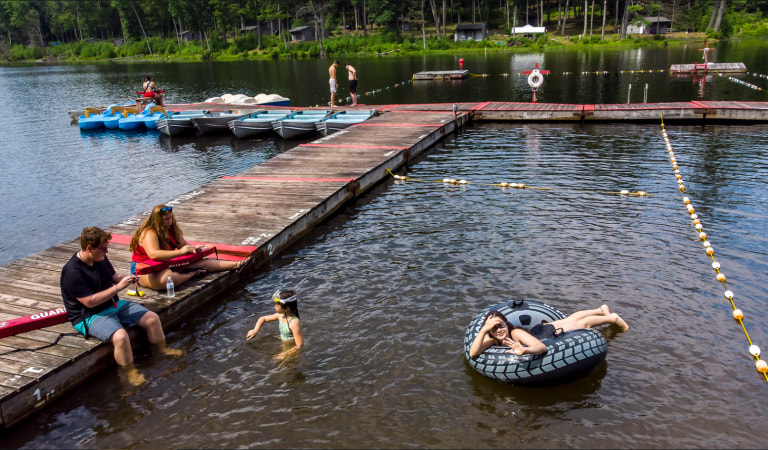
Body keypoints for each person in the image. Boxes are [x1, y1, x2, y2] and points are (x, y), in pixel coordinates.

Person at [60, 226, 182, 386]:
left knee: (152, 318)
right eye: (104, 249)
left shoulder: (100, 259)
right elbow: (89, 301)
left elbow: (114, 277)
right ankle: (129, 372)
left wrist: (128, 278)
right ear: (89, 248)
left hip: (112, 304)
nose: (107, 252)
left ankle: (162, 350)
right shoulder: (72, 272)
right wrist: (118, 287)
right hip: (88, 315)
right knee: (121, 337)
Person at [129, 204, 253, 291]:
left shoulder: (172, 229)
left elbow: (183, 245)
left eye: (171, 218)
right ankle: (191, 275)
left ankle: (238, 264)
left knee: (202, 262)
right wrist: (181, 252)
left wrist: (192, 249)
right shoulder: (149, 233)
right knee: (167, 280)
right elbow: (154, 254)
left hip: (166, 264)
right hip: (144, 269)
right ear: (157, 221)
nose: (169, 222)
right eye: (166, 220)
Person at [469, 305, 629, 358]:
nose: (499, 330)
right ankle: (600, 309)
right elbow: (473, 353)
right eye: (494, 328)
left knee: (582, 323)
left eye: (501, 325)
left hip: (545, 333)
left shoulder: (516, 334)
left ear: (506, 324)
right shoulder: (492, 338)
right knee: (570, 319)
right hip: (537, 330)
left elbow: (541, 348)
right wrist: (484, 329)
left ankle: (612, 318)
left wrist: (525, 350)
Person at [246, 289, 303, 360]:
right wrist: (255, 330)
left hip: (292, 348)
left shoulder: (294, 323)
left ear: (286, 309)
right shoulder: (280, 316)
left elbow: (299, 345)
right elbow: (263, 318)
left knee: (287, 367)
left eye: (277, 305)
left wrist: (284, 354)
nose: (274, 307)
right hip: (285, 345)